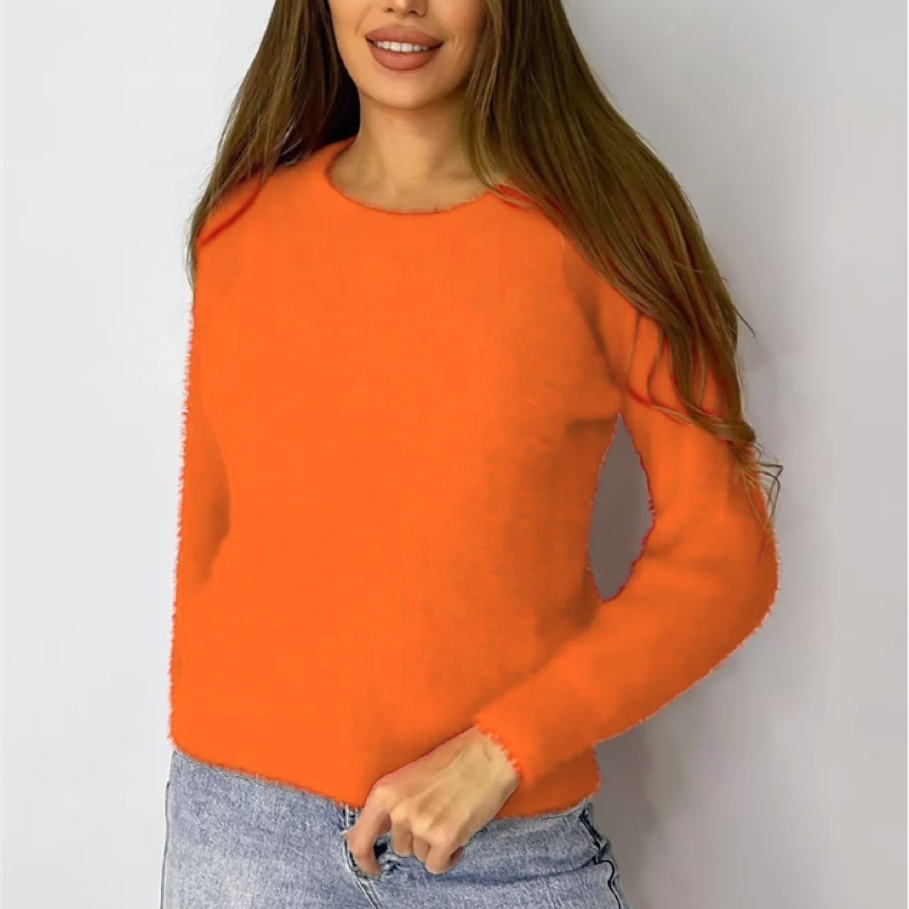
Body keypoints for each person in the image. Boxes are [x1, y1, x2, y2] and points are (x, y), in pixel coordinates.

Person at [158, 0, 782, 906]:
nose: (402, 4)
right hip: (242, 835)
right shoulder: (245, 226)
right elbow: (210, 530)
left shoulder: (610, 232)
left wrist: (504, 749)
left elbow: (724, 556)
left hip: (499, 844)